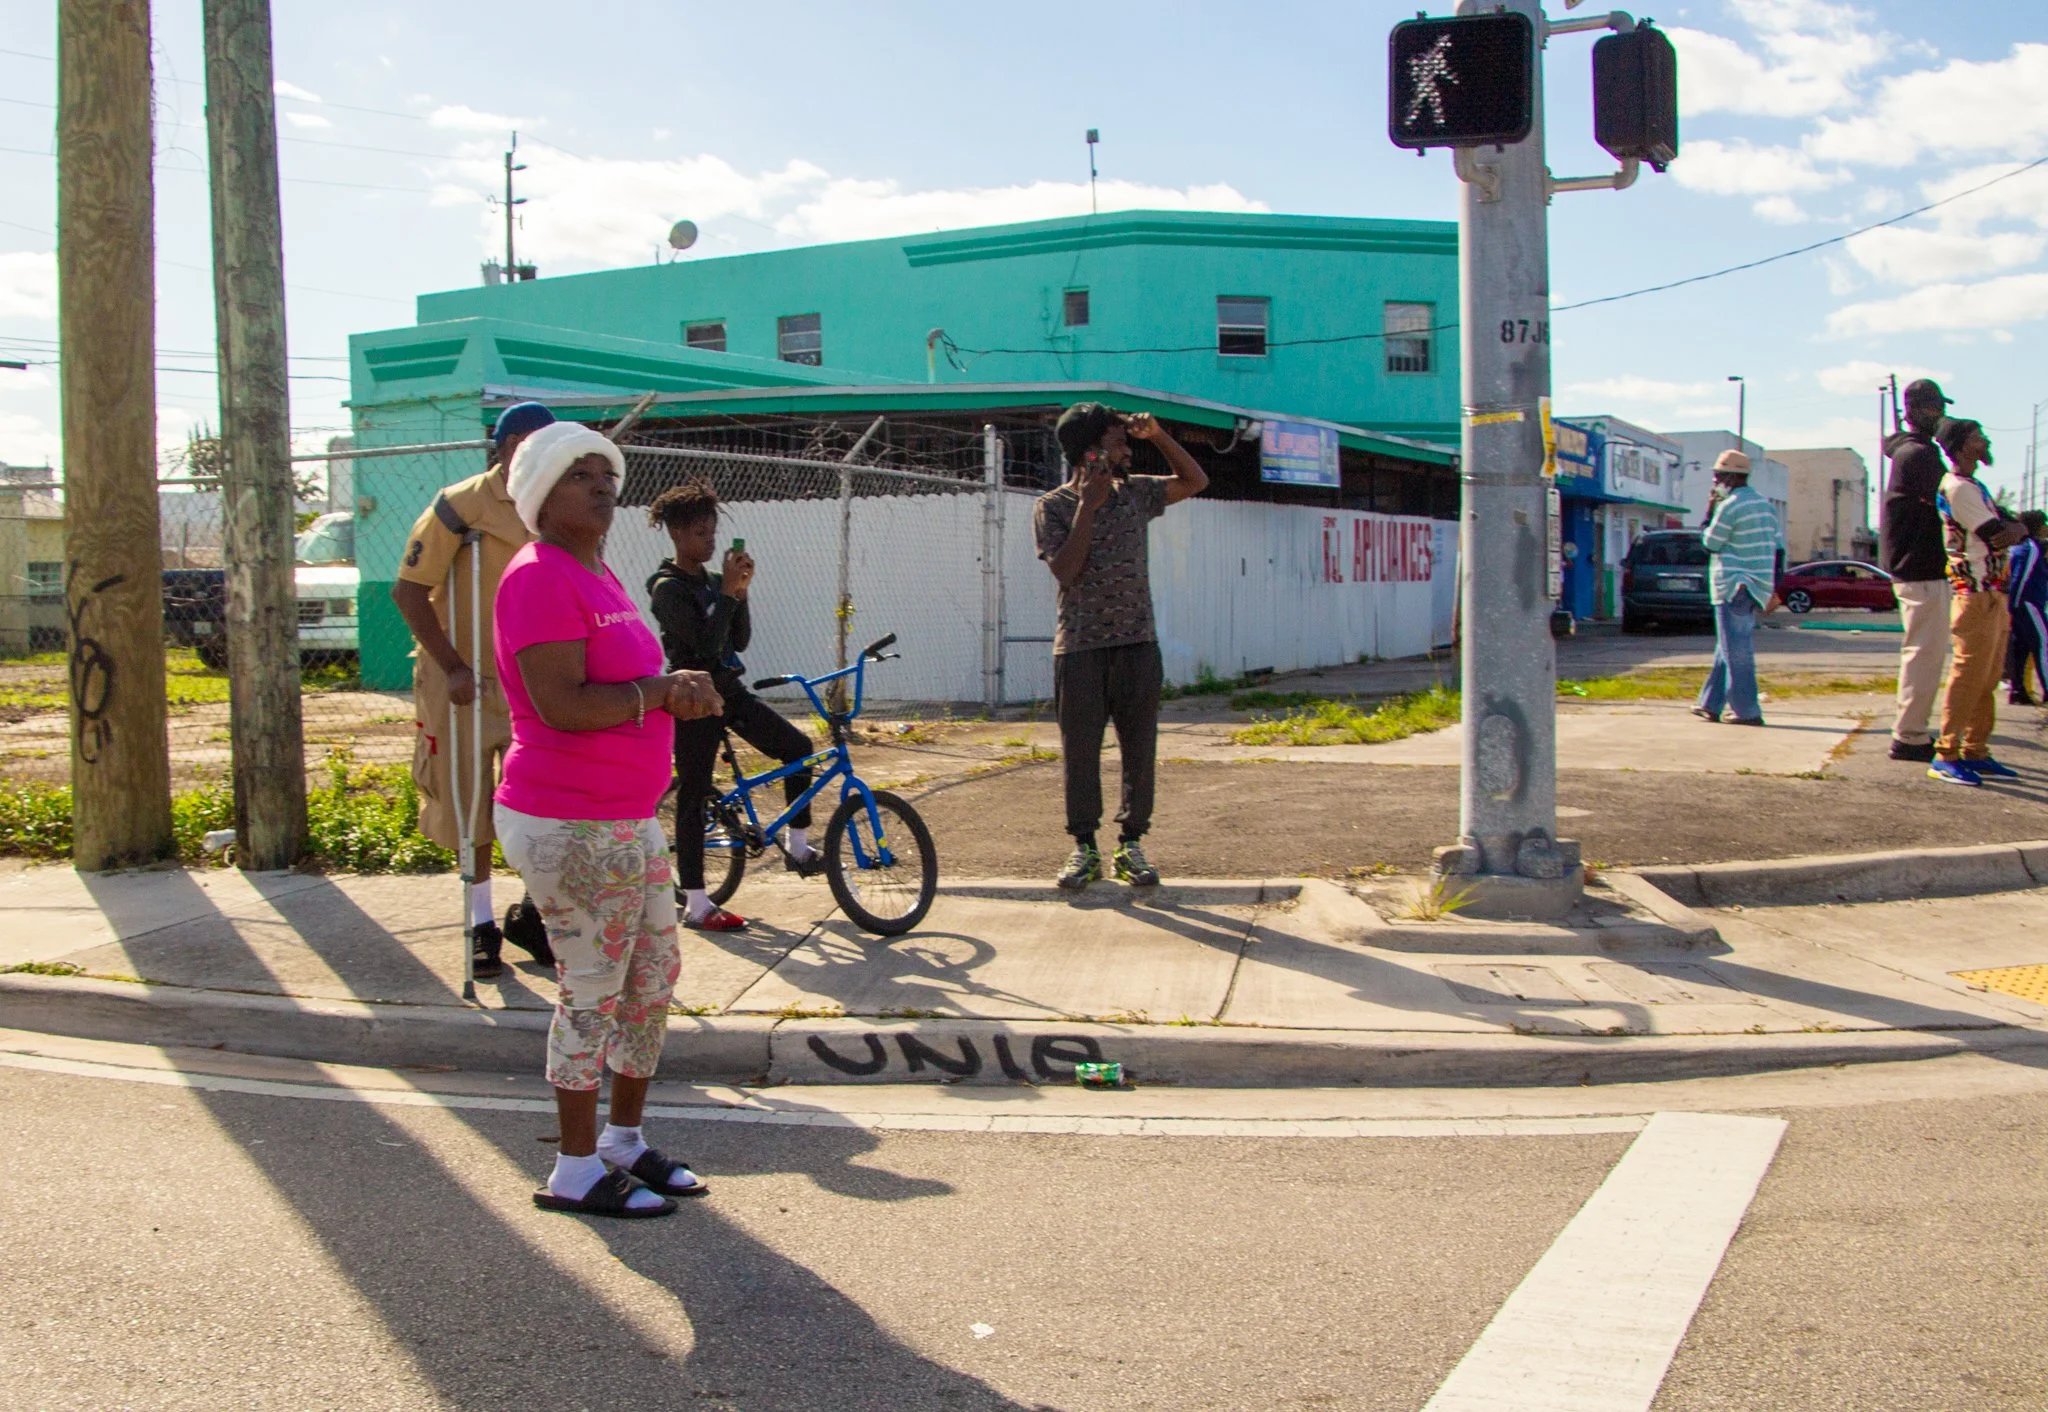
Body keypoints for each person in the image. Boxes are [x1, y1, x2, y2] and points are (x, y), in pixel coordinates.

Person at [494, 420, 725, 1218]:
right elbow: (562, 704)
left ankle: (623, 1144)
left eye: (605, 472)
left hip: (625, 819)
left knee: (653, 979)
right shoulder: (536, 577)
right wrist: (662, 692)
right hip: (567, 819)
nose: (601, 484)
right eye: (577, 474)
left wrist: (675, 685)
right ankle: (573, 1167)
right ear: (538, 497)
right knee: (591, 990)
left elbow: (631, 681)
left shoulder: (600, 574)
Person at [392, 401, 558, 979]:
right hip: (465, 680)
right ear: (510, 444)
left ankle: (533, 915)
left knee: (544, 801)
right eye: (535, 443)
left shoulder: (552, 507)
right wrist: (452, 666)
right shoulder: (460, 506)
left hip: (531, 683)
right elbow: (409, 591)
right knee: (471, 806)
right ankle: (480, 923)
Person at [1033, 404, 1208, 890]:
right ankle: (1084, 848)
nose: (1128, 449)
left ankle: (1131, 843)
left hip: (1137, 645)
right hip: (1081, 650)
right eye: (1119, 442)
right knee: (1081, 754)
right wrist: (1088, 505)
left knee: (1139, 750)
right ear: (1090, 452)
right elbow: (1066, 571)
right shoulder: (1054, 506)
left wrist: (1159, 435)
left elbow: (1195, 480)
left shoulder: (1136, 494)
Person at [646, 482, 822, 932]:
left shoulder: (712, 582)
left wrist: (739, 593)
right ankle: (698, 902)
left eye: (713, 532)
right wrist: (726, 594)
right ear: (678, 535)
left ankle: (797, 846)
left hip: (730, 692)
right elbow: (703, 646)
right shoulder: (667, 589)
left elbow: (737, 640)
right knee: (694, 792)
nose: (710, 541)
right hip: (692, 699)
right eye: (702, 533)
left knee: (798, 749)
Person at [1928, 418, 2026, 786]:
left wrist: (2016, 528)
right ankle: (1946, 753)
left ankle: (1976, 750)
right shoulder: (1959, 489)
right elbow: (1998, 534)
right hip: (1974, 594)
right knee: (1967, 677)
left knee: (1987, 678)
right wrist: (2017, 530)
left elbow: (2011, 525)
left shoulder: (1974, 486)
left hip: (1992, 591)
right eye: (1977, 436)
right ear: (1962, 445)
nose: (1984, 440)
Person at [1879, 379, 1957, 762]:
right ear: (1920, 411)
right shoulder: (1920, 455)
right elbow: (1954, 499)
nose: (1941, 415)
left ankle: (1911, 731)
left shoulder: (1911, 452)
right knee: (1924, 654)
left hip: (1917, 566)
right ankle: (1909, 736)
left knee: (1924, 652)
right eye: (1936, 409)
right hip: (1921, 566)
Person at [1692, 450, 1783, 727]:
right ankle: (1710, 703)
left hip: (1732, 584)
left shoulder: (1730, 505)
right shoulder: (1765, 505)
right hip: (1756, 585)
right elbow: (1778, 548)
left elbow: (1710, 543)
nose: (1716, 480)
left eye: (1718, 475)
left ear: (1731, 477)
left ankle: (1746, 710)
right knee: (1727, 646)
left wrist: (1709, 511)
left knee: (1737, 651)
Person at [2003, 509, 2047, 706]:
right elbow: (2020, 578)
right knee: (2043, 644)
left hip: (2023, 604)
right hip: (2028, 604)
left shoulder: (2023, 547)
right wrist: (2014, 606)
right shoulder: (2030, 548)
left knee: (2021, 648)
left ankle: (2018, 690)